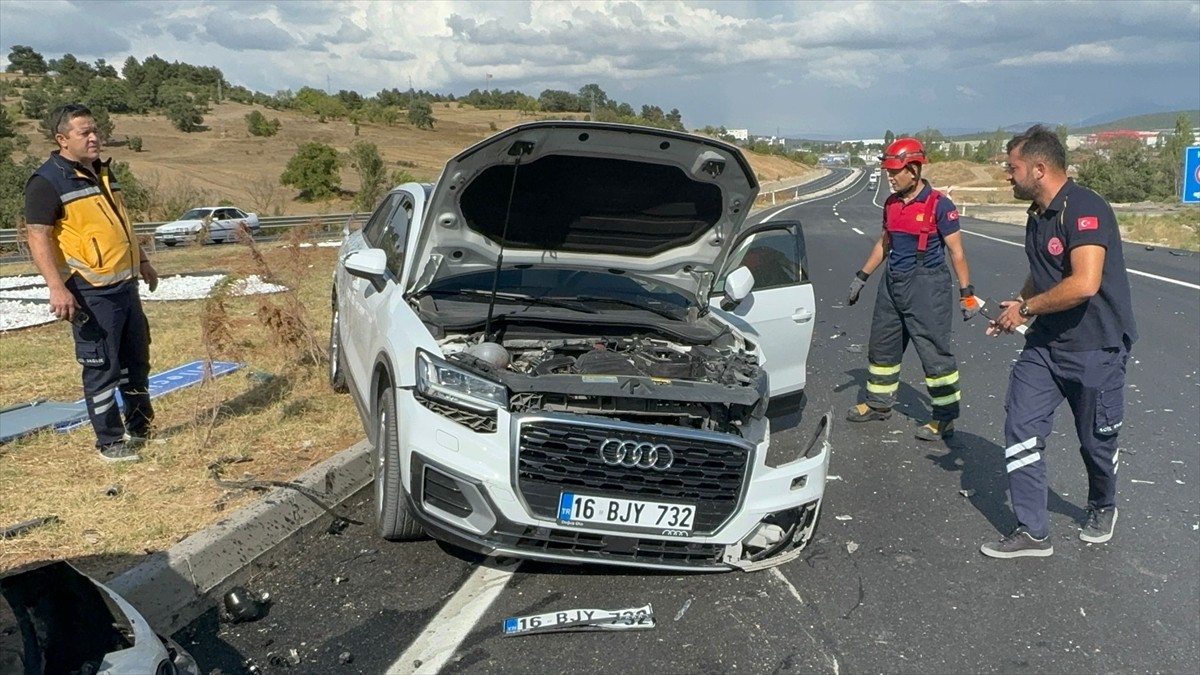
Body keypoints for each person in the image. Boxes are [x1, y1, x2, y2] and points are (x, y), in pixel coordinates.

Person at [980, 125, 1137, 558]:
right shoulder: (1037, 213)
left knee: (1095, 441)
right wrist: (1017, 305)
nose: (1007, 175)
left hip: (1095, 347)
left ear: (1039, 167)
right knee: (1021, 427)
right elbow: (1044, 272)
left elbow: (1084, 284)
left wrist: (1027, 310)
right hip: (1046, 348)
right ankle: (1032, 530)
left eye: (1012, 168)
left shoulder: (1086, 209)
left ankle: (1103, 505)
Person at [23, 103, 159, 462]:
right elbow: (37, 236)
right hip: (89, 291)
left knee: (136, 361)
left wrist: (142, 261)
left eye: (96, 130)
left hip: (125, 285)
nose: (95, 137)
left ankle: (141, 429)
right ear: (62, 139)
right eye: (85, 132)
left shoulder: (103, 172)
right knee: (102, 367)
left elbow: (121, 222)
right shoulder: (47, 181)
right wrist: (57, 287)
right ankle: (110, 442)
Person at [845, 138, 978, 441]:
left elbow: (956, 251)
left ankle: (945, 419)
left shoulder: (940, 206)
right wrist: (862, 277)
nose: (890, 177)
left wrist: (966, 293)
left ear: (915, 169)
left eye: (896, 171)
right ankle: (879, 404)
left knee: (934, 355)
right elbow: (884, 243)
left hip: (928, 286)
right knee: (883, 346)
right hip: (892, 283)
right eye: (888, 171)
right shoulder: (891, 204)